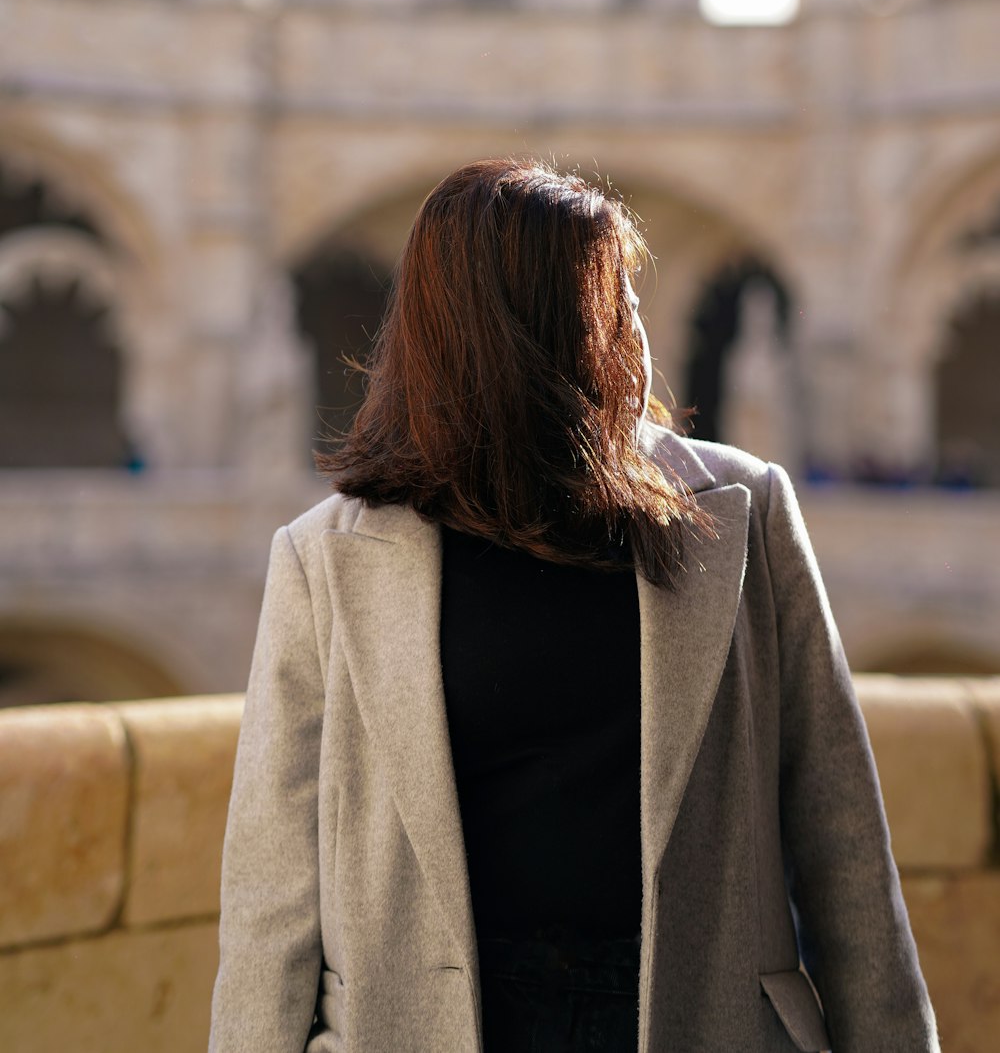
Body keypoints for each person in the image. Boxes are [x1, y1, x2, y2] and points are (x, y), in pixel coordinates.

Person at [208, 158, 938, 1053]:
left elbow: (843, 842)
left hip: (696, 1019)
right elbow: (271, 898)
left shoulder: (744, 506)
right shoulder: (324, 558)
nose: (635, 321)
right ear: (511, 325)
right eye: (606, 294)